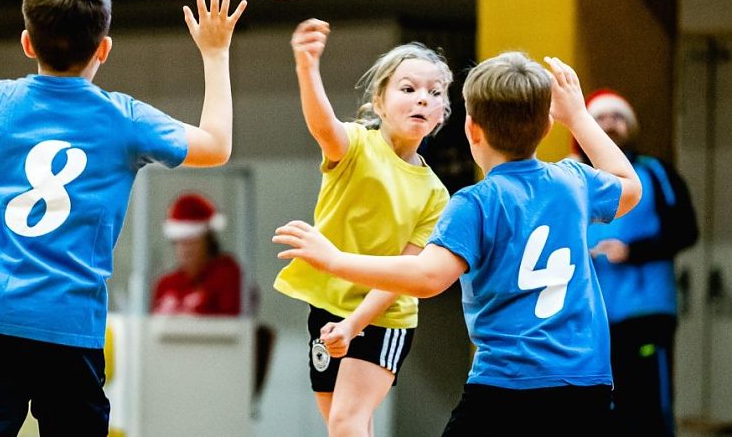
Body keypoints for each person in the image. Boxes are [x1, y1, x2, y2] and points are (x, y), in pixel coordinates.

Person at [0, 0, 246, 436]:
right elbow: (217, 144)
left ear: (26, 43)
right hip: (70, 329)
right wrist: (216, 53)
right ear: (103, 48)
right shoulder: (124, 118)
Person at [273, 53, 643, 436]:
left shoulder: (474, 202)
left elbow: (427, 277)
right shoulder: (574, 182)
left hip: (507, 384)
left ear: (471, 128)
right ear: (548, 126)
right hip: (586, 383)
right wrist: (579, 117)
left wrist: (334, 259)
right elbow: (630, 188)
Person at [273, 18, 452, 436]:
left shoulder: (435, 194)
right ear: (379, 101)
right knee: (348, 426)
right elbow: (322, 125)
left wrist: (355, 325)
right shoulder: (354, 146)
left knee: (346, 422)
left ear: (444, 112)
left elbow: (403, 276)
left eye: (435, 93)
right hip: (326, 306)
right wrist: (306, 65)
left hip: (384, 315)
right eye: (408, 89)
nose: (422, 99)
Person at [578, 88, 698, 437]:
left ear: (631, 126)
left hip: (645, 311)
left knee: (648, 405)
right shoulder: (574, 178)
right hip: (592, 314)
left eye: (618, 117)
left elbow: (685, 230)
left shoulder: (655, 173)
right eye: (600, 118)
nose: (610, 124)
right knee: (601, 409)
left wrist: (633, 251)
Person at [151, 191, 242, 316]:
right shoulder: (166, 284)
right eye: (181, 242)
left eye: (192, 240)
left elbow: (233, 325)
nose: (186, 249)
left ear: (208, 241)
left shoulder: (227, 275)